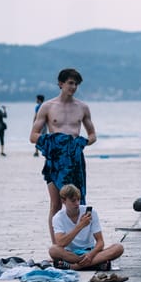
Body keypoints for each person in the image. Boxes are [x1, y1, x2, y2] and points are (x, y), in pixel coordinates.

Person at [29, 68, 97, 244]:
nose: (73, 87)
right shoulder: (47, 107)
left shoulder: (82, 107)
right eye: (70, 83)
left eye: (76, 84)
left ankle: (82, 243)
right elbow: (33, 136)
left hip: (75, 160)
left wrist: (81, 143)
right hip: (55, 161)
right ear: (60, 83)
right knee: (56, 203)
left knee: (78, 202)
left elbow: (92, 135)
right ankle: (56, 246)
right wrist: (55, 141)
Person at [49, 184, 124, 270]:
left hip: (89, 252)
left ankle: (75, 267)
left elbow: (100, 242)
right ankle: (95, 263)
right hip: (71, 255)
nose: (77, 203)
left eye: (78, 200)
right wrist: (80, 226)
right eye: (73, 201)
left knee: (118, 248)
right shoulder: (58, 217)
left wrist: (90, 255)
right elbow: (61, 243)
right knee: (53, 250)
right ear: (64, 201)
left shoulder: (91, 213)